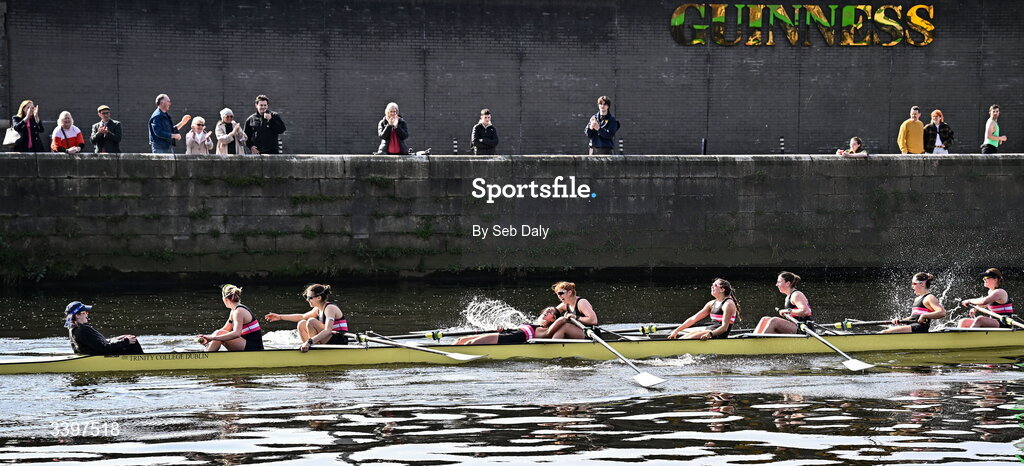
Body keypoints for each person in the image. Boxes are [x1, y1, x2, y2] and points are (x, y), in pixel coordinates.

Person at [265, 284, 349, 352]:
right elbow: (301, 316)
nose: (307, 300)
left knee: (311, 321)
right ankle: (307, 348)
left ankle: (313, 347)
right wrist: (280, 317)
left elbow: (328, 330)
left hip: (339, 340)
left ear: (319, 298)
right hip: (329, 338)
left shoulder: (330, 308)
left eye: (309, 298)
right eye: (306, 297)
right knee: (302, 323)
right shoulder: (318, 309)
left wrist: (309, 341)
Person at [197, 284, 264, 351]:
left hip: (254, 348)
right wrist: (207, 337)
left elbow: (236, 334)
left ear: (225, 299)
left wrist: (212, 338)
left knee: (218, 334)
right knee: (218, 333)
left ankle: (206, 357)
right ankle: (206, 354)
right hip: (246, 344)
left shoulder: (239, 311)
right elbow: (225, 329)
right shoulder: (234, 311)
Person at [668, 278, 740, 340]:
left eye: (714, 285)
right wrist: (676, 331)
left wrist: (710, 334)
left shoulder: (728, 304)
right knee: (683, 338)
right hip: (710, 329)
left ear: (722, 289)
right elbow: (693, 319)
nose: (712, 287)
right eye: (712, 285)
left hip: (719, 333)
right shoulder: (711, 303)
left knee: (689, 338)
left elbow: (724, 328)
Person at [65, 301, 143, 355]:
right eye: (85, 312)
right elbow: (105, 348)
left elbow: (100, 343)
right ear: (77, 315)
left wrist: (118, 338)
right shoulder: (83, 330)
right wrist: (126, 341)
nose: (87, 315)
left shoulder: (74, 328)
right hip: (98, 356)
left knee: (128, 338)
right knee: (133, 341)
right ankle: (144, 362)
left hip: (93, 353)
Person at [880, 272, 947, 334]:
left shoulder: (929, 297)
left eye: (914, 283)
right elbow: (913, 317)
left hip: (920, 328)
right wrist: (900, 321)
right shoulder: (917, 299)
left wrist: (924, 315)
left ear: (922, 284)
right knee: (885, 331)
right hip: (913, 326)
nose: (912, 286)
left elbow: (942, 312)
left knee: (884, 332)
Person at [455, 307, 558, 345]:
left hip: (511, 338)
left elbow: (561, 320)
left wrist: (567, 316)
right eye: (547, 309)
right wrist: (502, 330)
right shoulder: (534, 324)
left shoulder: (545, 330)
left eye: (551, 312)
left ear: (553, 319)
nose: (547, 311)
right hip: (507, 334)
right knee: (460, 340)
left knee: (470, 343)